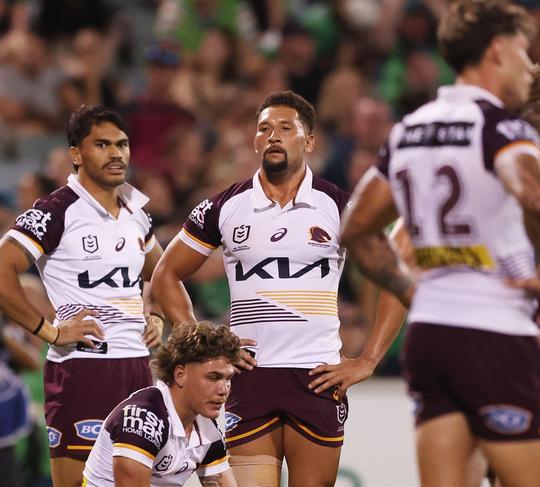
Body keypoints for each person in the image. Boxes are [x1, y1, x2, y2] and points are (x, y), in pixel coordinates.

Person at [333, 1, 540, 486]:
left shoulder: (407, 130)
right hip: (496, 332)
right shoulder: (504, 128)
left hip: (430, 336)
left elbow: (356, 228)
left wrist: (411, 289)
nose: (530, 68)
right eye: (525, 54)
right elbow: (538, 201)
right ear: (497, 51)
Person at [151, 90, 351, 487]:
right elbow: (164, 276)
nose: (273, 135)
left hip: (317, 377)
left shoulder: (339, 205)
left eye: (285, 127)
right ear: (255, 140)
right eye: (264, 128)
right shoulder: (226, 206)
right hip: (249, 376)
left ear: (308, 141)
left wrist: (370, 359)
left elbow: (395, 274)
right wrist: (203, 344)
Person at [0, 106, 164, 487]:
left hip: (138, 367)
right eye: (102, 144)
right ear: (76, 154)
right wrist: (51, 333)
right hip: (83, 368)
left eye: (122, 144)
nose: (116, 154)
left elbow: (162, 272)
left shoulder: (136, 212)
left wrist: (155, 313)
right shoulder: (57, 211)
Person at [82, 321, 239, 486]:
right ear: (180, 374)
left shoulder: (206, 427)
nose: (224, 390)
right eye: (213, 377)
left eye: (228, 378)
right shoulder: (142, 418)